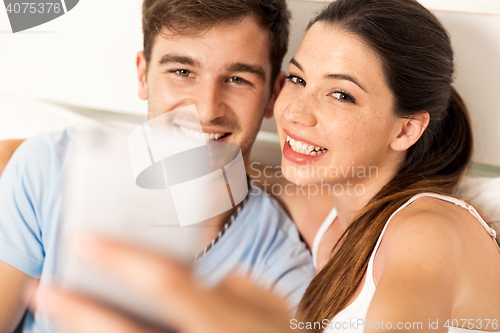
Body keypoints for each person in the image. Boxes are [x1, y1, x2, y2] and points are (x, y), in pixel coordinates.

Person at [32, 0, 500, 332]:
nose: (296, 111)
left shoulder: (426, 231)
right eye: (297, 78)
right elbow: (217, 153)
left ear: (405, 130)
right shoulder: (322, 213)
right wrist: (25, 158)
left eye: (340, 93)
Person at [0, 1, 317, 332]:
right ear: (142, 73)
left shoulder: (282, 274)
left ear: (272, 95)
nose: (208, 109)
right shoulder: (47, 168)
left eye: (237, 79)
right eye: (182, 72)